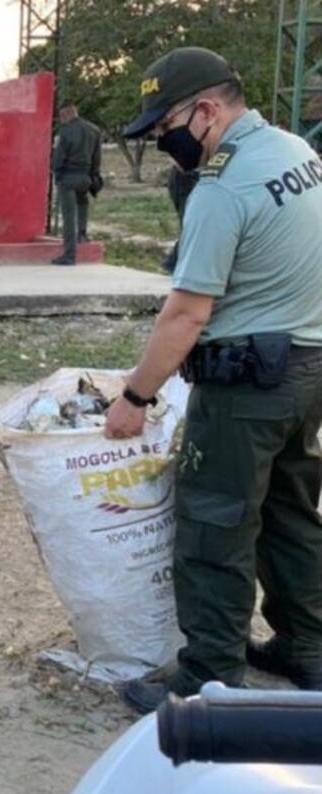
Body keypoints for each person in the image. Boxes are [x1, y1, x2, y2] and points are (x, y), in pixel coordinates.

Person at [104, 47, 322, 714]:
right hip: (308, 368)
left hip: (247, 387)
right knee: (289, 512)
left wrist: (135, 397)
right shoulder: (295, 152)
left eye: (166, 127)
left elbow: (187, 314)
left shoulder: (224, 188)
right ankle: (309, 648)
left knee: (215, 525)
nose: (163, 144)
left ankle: (209, 679)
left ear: (206, 110)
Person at [50, 102, 103, 266]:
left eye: (61, 117)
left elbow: (59, 157)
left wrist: (57, 175)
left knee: (69, 217)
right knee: (82, 204)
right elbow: (97, 157)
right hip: (86, 177)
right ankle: (82, 235)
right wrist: (93, 176)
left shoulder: (66, 131)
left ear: (66, 114)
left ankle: (69, 255)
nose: (61, 120)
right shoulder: (94, 130)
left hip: (68, 177)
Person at [163, 166, 200, 272]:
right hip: (186, 181)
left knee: (191, 227)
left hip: (187, 181)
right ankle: (173, 263)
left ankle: (174, 263)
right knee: (191, 227)